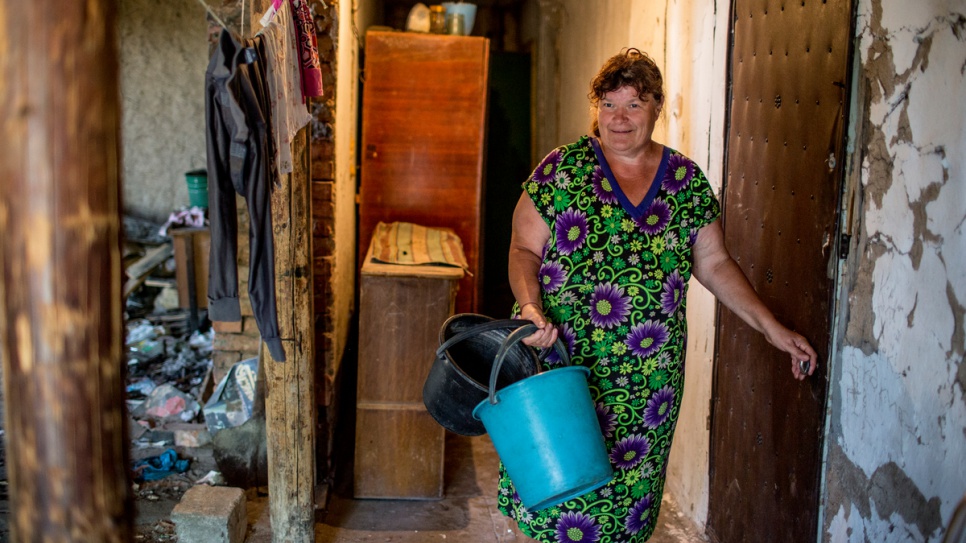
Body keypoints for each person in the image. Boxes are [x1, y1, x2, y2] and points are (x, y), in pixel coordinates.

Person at [500, 48, 818, 542]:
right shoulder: (562, 170)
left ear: (656, 108)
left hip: (649, 382)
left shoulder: (684, 182)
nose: (619, 118)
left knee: (627, 503)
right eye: (609, 105)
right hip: (561, 364)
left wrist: (772, 329)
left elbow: (714, 264)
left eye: (633, 104)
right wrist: (530, 308)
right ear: (596, 109)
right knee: (557, 494)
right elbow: (524, 248)